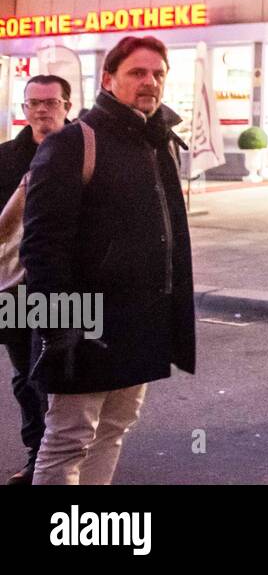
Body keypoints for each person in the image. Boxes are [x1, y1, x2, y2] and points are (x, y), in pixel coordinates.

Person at [22, 35, 195, 485]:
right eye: (137, 72)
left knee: (114, 431)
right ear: (108, 79)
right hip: (84, 322)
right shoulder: (74, 143)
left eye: (158, 74)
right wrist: (59, 329)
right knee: (68, 438)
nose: (150, 82)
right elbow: (41, 248)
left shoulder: (156, 142)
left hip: (138, 319)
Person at [0, 74, 72, 484]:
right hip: (14, 287)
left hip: (66, 286)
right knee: (25, 376)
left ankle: (66, 453)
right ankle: (36, 456)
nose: (42, 110)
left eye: (51, 102)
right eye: (34, 103)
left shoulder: (81, 153)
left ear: (67, 106)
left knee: (66, 375)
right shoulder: (6, 157)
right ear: (24, 109)